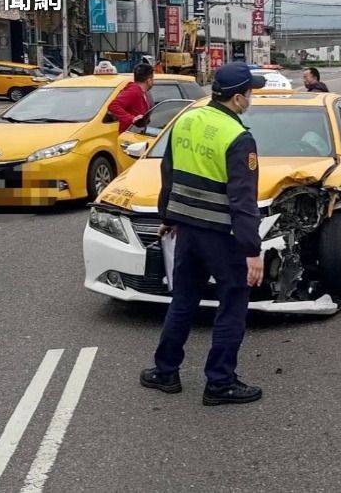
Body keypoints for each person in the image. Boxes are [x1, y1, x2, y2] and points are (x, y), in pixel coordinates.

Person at [140, 62, 267, 406]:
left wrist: (167, 216)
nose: (251, 97)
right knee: (233, 303)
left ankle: (165, 371)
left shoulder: (185, 120)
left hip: (188, 231)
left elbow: (169, 174)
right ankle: (220, 382)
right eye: (250, 92)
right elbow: (243, 201)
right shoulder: (239, 138)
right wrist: (252, 251)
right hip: (221, 236)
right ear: (238, 98)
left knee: (183, 300)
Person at [108, 62, 155, 134]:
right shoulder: (134, 90)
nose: (153, 81)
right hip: (129, 136)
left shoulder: (142, 92)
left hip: (137, 134)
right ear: (148, 80)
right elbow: (113, 106)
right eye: (152, 79)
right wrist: (132, 119)